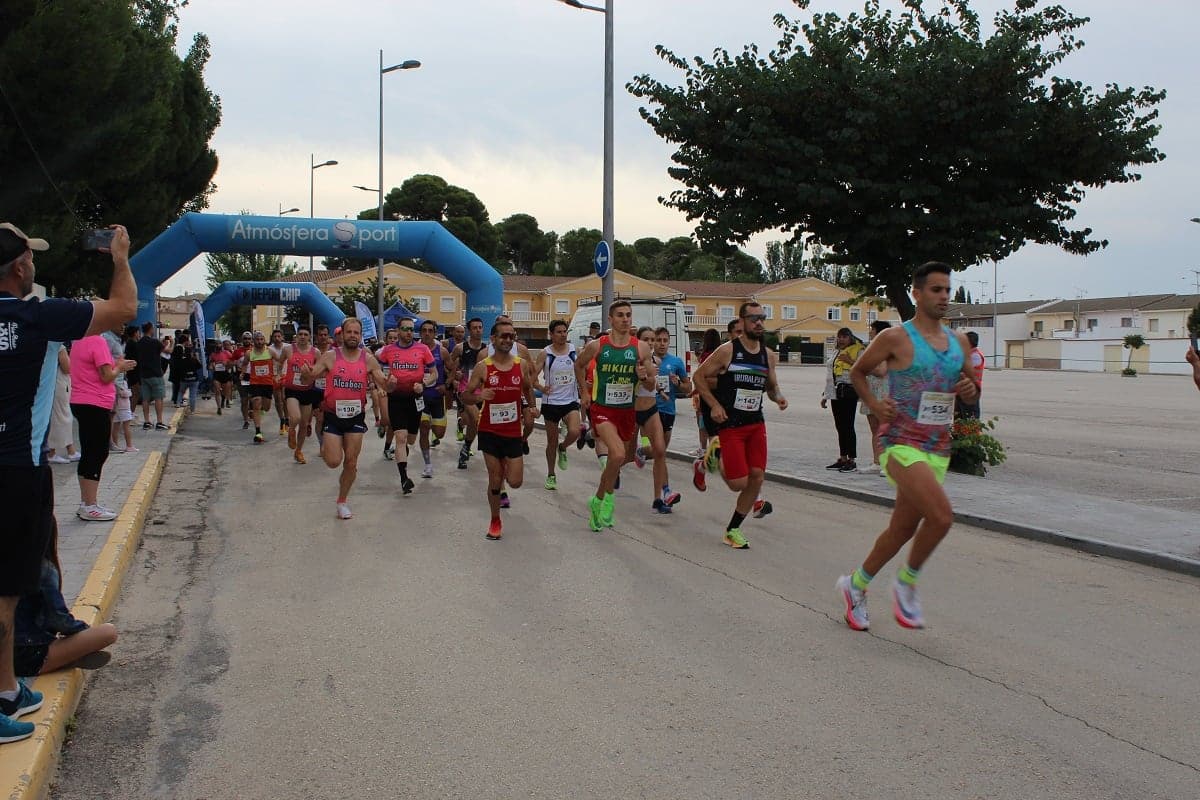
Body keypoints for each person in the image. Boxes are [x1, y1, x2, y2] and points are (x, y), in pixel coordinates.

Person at [0, 221, 135, 744]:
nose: (34, 263)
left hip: (23, 466)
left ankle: (10, 687)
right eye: (29, 256)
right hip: (13, 467)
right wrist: (119, 258)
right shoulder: (34, 316)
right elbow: (122, 309)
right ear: (20, 268)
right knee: (6, 588)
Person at [837, 261, 978, 631]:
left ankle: (855, 586)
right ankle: (907, 582)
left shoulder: (958, 343)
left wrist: (968, 389)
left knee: (901, 530)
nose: (944, 296)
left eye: (947, 289)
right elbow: (857, 371)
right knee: (942, 516)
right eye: (936, 290)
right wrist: (875, 403)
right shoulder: (895, 338)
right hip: (899, 442)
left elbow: (969, 389)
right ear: (917, 294)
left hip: (937, 447)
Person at [691, 302, 788, 549]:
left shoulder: (768, 355)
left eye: (762, 318)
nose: (759, 322)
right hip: (730, 425)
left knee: (757, 477)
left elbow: (771, 386)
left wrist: (779, 398)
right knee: (738, 483)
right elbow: (699, 377)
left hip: (756, 423)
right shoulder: (727, 351)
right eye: (753, 318)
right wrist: (713, 404)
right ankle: (711, 457)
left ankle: (733, 530)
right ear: (742, 321)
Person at [575, 301, 657, 531]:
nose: (625, 319)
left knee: (618, 460)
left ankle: (603, 497)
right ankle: (601, 500)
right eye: (620, 315)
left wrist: (643, 377)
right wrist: (584, 392)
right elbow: (579, 365)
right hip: (602, 410)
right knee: (618, 454)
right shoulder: (598, 345)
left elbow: (651, 385)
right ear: (610, 320)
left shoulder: (641, 348)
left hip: (626, 411)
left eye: (628, 315)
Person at [302, 317, 389, 519]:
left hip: (355, 417)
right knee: (333, 462)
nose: (352, 336)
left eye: (356, 333)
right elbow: (312, 376)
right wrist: (307, 374)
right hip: (333, 415)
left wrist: (391, 384)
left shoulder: (367, 359)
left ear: (361, 336)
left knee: (351, 462)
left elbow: (383, 383)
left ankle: (342, 501)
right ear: (341, 335)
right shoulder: (330, 356)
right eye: (349, 332)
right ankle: (326, 446)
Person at [14, 519, 118, 677]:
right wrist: (83, 633)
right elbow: (59, 620)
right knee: (108, 632)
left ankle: (69, 657)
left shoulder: (9, 564)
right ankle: (71, 657)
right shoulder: (43, 569)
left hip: (6, 654)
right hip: (28, 657)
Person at [464, 319, 535, 539]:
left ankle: (504, 467)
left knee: (515, 481)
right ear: (493, 339)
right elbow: (465, 395)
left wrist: (531, 408)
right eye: (503, 336)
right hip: (489, 430)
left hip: (513, 431)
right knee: (495, 479)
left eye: (511, 336)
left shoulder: (520, 364)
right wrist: (478, 395)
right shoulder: (483, 366)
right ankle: (495, 520)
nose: (507, 339)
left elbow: (528, 388)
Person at [70, 334, 137, 520]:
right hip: (95, 403)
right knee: (97, 452)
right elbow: (107, 376)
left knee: (89, 451)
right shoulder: (97, 341)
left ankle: (87, 502)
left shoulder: (78, 341)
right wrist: (120, 367)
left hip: (82, 401)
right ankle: (90, 505)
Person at [377, 318, 435, 493]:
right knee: (400, 438)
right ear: (398, 330)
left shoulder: (422, 349)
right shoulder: (388, 351)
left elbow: (434, 373)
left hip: (415, 399)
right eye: (405, 329)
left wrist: (424, 384)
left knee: (410, 439)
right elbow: (376, 370)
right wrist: (384, 384)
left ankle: (402, 455)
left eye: (411, 329)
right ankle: (404, 478)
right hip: (396, 399)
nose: (409, 332)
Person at [630, 326, 679, 513]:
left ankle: (659, 498)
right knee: (624, 455)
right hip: (632, 411)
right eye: (647, 339)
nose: (651, 343)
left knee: (660, 451)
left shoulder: (655, 361)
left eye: (653, 339)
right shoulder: (633, 359)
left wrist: (659, 390)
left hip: (651, 409)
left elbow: (652, 384)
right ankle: (612, 472)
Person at [533, 319, 582, 490]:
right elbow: (532, 377)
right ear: (551, 334)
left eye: (565, 332)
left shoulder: (575, 351)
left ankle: (564, 447)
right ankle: (551, 474)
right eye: (559, 332)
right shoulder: (545, 354)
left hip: (570, 401)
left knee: (576, 430)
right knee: (551, 442)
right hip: (551, 402)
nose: (563, 335)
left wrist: (585, 390)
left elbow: (582, 371)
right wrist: (540, 387)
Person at [651, 325, 692, 508]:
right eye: (658, 340)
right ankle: (665, 493)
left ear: (669, 342)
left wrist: (678, 384)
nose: (661, 344)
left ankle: (639, 453)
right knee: (660, 454)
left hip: (668, 411)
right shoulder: (646, 361)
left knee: (660, 453)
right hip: (651, 412)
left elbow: (688, 388)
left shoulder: (676, 362)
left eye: (665, 340)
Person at [820, 327, 865, 472]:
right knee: (840, 426)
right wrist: (825, 395)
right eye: (839, 337)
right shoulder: (836, 351)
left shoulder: (858, 350)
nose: (841, 339)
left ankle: (852, 460)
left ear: (850, 337)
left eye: (844, 337)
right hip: (835, 391)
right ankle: (843, 457)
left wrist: (850, 361)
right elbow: (831, 373)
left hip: (848, 391)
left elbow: (864, 368)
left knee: (848, 425)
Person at [278, 326, 320, 464]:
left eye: (305, 334)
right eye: (300, 334)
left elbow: (320, 371)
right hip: (291, 390)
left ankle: (299, 451)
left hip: (307, 391)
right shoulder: (288, 349)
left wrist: (310, 373)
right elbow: (280, 362)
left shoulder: (316, 352)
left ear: (309, 337)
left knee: (303, 424)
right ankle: (291, 430)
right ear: (296, 336)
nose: (302, 336)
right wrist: (279, 374)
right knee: (295, 417)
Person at [449, 317, 487, 468]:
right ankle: (482, 448)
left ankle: (466, 448)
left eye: (480, 327)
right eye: (475, 328)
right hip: (465, 391)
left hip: (482, 391)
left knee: (472, 423)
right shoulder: (460, 348)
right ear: (469, 331)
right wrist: (454, 377)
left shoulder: (487, 350)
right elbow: (449, 365)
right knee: (477, 419)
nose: (478, 330)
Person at [417, 320, 453, 478]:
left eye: (430, 331)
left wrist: (446, 384)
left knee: (439, 433)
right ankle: (428, 465)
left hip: (437, 396)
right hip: (420, 397)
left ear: (435, 333)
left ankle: (434, 423)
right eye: (424, 330)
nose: (426, 333)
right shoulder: (414, 350)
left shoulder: (442, 351)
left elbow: (453, 369)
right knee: (423, 428)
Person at [859, 320, 892, 474]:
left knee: (884, 429)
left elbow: (881, 371)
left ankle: (887, 463)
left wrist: (862, 367)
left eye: (872, 329)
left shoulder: (887, 349)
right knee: (874, 430)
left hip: (882, 392)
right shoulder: (871, 348)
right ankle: (876, 462)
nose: (870, 331)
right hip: (870, 391)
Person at [103, 324, 137, 454]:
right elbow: (107, 361)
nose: (122, 327)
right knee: (110, 415)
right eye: (120, 324)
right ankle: (108, 442)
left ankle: (111, 442)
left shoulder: (117, 340)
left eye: (124, 325)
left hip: (118, 380)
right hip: (113, 381)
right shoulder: (107, 339)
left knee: (113, 415)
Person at [46, 348, 80, 464]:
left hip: (50, 382)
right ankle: (51, 451)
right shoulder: (59, 346)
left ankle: (70, 449)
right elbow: (67, 368)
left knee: (60, 416)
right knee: (62, 416)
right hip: (59, 383)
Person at [241, 331, 275, 443]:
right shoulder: (249, 353)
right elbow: (245, 363)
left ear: (264, 340)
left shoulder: (270, 351)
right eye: (257, 340)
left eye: (261, 339)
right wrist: (242, 372)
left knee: (266, 407)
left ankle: (260, 412)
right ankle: (258, 432)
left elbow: (280, 361)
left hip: (268, 383)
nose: (259, 342)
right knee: (256, 404)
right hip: (255, 383)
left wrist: (279, 373)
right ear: (253, 341)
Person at [136, 322, 167, 430]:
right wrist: (170, 343)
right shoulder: (155, 342)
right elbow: (167, 350)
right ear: (150, 329)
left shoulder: (139, 343)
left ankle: (147, 421)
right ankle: (159, 422)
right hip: (155, 374)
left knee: (146, 399)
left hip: (144, 374)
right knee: (159, 398)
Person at [955, 330, 985, 419]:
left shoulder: (974, 356)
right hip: (961, 391)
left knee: (969, 418)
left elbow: (960, 368)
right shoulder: (968, 355)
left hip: (970, 391)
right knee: (959, 417)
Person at [209, 338, 234, 414]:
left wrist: (227, 363)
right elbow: (210, 365)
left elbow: (233, 362)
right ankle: (219, 407)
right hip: (217, 374)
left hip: (225, 373)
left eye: (219, 344)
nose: (218, 345)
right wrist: (212, 366)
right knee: (217, 391)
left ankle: (225, 399)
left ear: (221, 345)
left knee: (225, 391)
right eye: (216, 344)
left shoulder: (226, 353)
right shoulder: (213, 354)